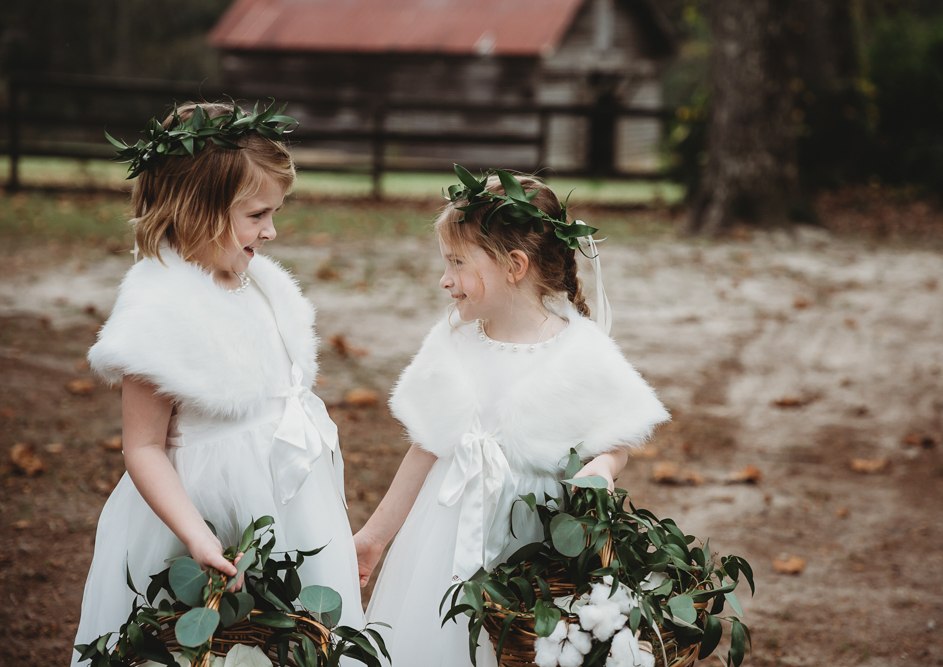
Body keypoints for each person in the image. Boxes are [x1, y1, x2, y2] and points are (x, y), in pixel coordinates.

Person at [72, 102, 363, 661]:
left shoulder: (258, 286)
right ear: (198, 211)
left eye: (275, 213)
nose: (272, 231)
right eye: (257, 215)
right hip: (203, 514)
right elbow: (144, 446)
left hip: (290, 509)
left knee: (288, 642)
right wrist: (197, 535)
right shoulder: (160, 309)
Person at [354, 170, 670, 666]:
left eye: (457, 263)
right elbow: (426, 448)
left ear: (514, 265)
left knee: (521, 645)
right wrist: (374, 537)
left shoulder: (580, 352)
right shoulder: (453, 344)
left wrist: (605, 467)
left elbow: (616, 436)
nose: (444, 279)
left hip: (535, 543)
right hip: (447, 535)